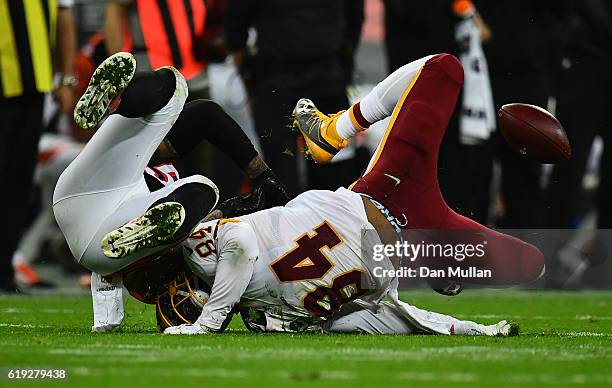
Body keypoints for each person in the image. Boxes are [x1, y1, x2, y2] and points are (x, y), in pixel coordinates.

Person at [63, 53, 544, 334]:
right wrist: (472, 325)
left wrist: (207, 320)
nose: (190, 297)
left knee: (443, 69)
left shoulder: (220, 265)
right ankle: (339, 130)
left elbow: (239, 246)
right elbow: (391, 318)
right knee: (532, 265)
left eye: (183, 298)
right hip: (406, 240)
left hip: (380, 199)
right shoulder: (262, 305)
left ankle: (335, 128)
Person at [53, 52, 289, 331]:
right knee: (175, 90)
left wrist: (105, 319)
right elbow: (206, 115)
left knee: (200, 186)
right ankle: (116, 100)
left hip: (89, 206)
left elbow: (107, 292)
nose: (186, 290)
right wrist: (264, 179)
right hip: (103, 221)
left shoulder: (154, 280)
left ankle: (116, 102)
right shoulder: (212, 261)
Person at [0, 0, 77, 292]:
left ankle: (4, 269)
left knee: (17, 184)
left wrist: (67, 78)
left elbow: (64, 15)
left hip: (33, 89)